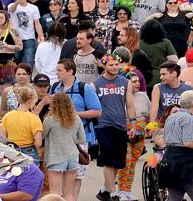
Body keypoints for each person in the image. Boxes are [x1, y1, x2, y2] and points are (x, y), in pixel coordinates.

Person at [92, 54, 136, 201]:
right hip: (104, 125)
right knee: (108, 160)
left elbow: (129, 105)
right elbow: (92, 106)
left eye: (117, 64)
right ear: (104, 66)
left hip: (121, 125)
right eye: (111, 65)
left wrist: (133, 124)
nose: (115, 67)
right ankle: (113, 193)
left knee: (118, 162)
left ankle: (105, 189)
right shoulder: (95, 84)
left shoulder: (125, 82)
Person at [159, 90, 193, 201]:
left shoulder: (171, 117)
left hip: (170, 160)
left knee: (174, 197)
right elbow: (188, 143)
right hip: (187, 163)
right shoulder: (190, 119)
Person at [42, 91, 87, 201]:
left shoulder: (50, 120)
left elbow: (42, 137)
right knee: (68, 194)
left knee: (55, 194)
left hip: (55, 158)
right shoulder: (76, 118)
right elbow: (82, 139)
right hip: (72, 157)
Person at [3, 86, 46, 162]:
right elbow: (38, 143)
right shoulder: (34, 118)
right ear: (30, 100)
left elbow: (4, 136)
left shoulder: (7, 116)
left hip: (12, 150)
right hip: (29, 151)